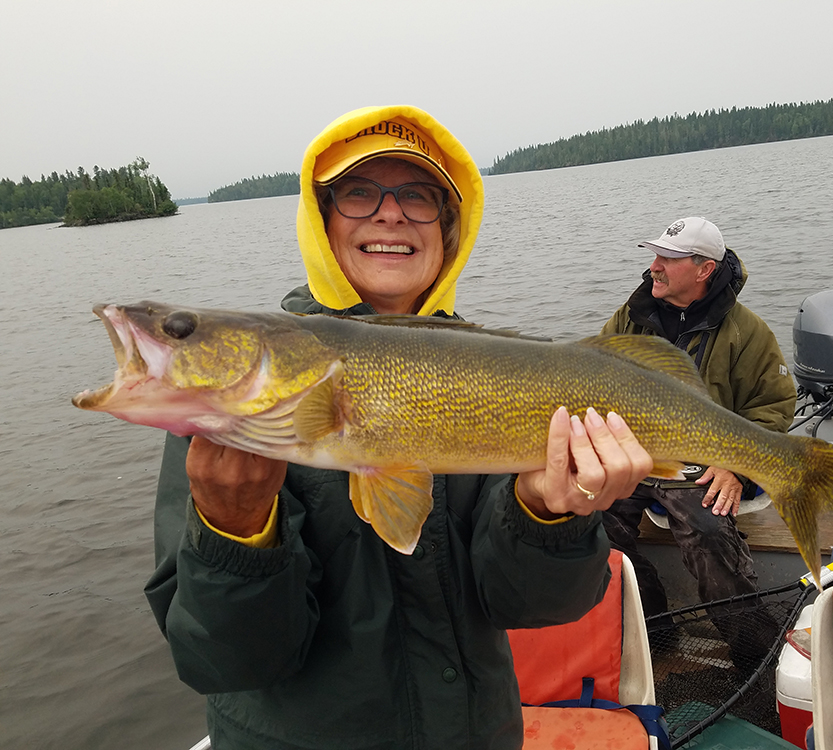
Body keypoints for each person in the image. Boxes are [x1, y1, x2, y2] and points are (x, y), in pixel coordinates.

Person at [144, 105, 654, 750]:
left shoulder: (491, 371)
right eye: (359, 194)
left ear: (449, 228)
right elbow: (226, 663)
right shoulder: (230, 421)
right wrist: (235, 530)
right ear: (321, 223)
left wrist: (548, 512)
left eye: (417, 196)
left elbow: (531, 608)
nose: (390, 213)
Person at [600, 217, 796, 615]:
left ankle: (751, 650)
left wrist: (735, 468)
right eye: (656, 255)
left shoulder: (747, 332)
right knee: (584, 524)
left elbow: (773, 406)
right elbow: (593, 380)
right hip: (633, 458)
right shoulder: (629, 318)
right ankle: (653, 623)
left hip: (704, 466)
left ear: (705, 269)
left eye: (669, 258)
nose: (654, 265)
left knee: (710, 535)